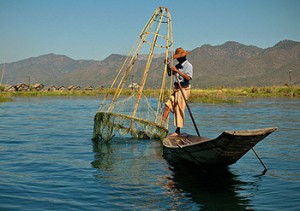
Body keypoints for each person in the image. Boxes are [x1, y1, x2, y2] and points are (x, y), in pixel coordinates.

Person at [162, 47, 193, 136]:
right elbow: (169, 73)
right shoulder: (178, 65)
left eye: (179, 57)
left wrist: (178, 71)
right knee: (167, 105)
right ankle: (161, 125)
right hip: (176, 89)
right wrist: (167, 65)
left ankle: (177, 130)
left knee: (179, 109)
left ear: (183, 57)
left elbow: (188, 77)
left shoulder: (188, 65)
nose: (178, 59)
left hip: (184, 89)